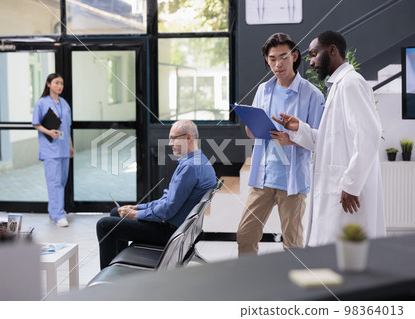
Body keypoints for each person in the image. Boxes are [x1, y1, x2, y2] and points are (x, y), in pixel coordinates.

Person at [273, 30, 386, 246]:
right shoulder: (338, 86)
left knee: (346, 254)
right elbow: (330, 141)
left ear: (332, 50)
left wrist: (351, 184)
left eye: (314, 54)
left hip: (346, 194)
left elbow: (368, 134)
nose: (312, 62)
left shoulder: (351, 83)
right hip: (337, 191)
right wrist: (300, 128)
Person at [237, 33, 324, 256]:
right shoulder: (263, 91)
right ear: (267, 60)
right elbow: (253, 134)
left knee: (292, 245)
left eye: (283, 57)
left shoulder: (312, 95)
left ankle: (291, 289)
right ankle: (249, 287)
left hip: (292, 182)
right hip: (263, 178)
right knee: (245, 235)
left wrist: (292, 139)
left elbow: (320, 140)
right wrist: (252, 125)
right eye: (272, 58)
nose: (278, 64)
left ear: (295, 56)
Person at [96, 120, 217, 270]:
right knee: (116, 213)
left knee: (104, 225)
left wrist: (135, 215)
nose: (170, 143)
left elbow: (168, 209)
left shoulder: (190, 167)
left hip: (169, 233)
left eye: (173, 138)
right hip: (177, 228)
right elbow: (167, 200)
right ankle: (119, 269)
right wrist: (138, 208)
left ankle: (110, 278)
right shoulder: (201, 161)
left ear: (188, 137)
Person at [32, 73, 74, 227]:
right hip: (50, 149)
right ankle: (59, 215)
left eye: (62, 83)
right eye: (57, 83)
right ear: (48, 84)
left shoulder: (64, 103)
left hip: (63, 148)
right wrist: (49, 132)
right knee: (54, 182)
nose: (60, 86)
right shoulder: (41, 103)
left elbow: (67, 127)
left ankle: (53, 211)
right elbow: (36, 124)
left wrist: (70, 145)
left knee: (61, 182)